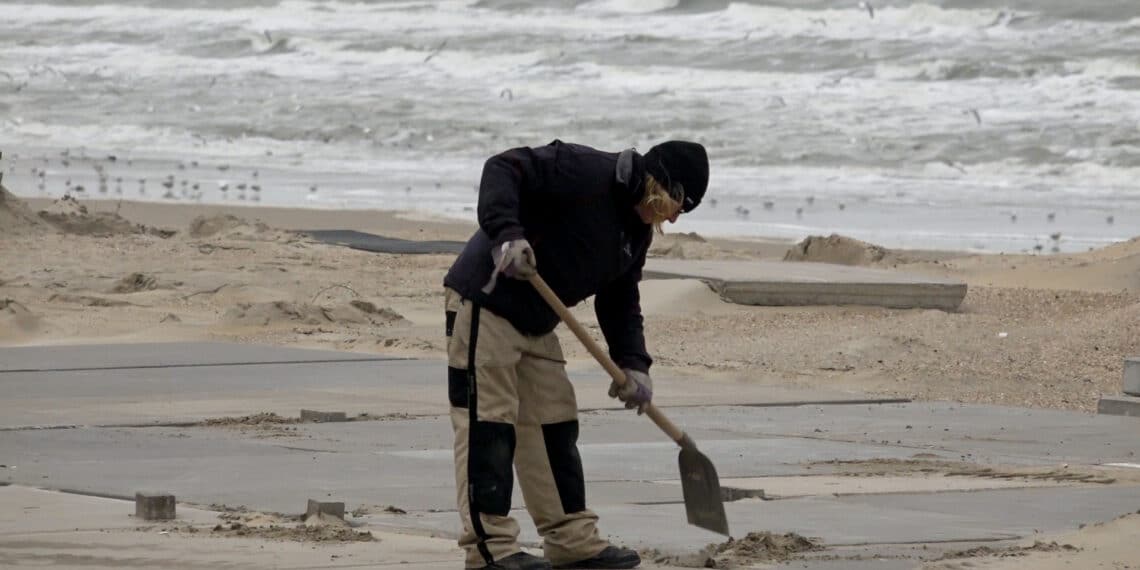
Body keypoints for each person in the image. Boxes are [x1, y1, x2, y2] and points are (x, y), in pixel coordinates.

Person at [442, 139, 709, 570]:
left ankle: (571, 540)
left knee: (554, 427)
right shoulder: (583, 169)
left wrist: (634, 364)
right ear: (659, 182)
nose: (675, 217)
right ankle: (489, 549)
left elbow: (621, 299)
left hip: (538, 320)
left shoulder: (635, 233)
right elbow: (503, 167)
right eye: (679, 204)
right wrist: (508, 235)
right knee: (488, 426)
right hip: (485, 302)